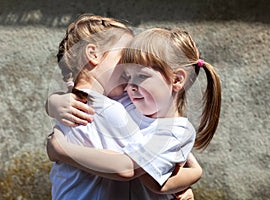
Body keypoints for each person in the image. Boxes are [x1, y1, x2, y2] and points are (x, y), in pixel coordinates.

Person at [46, 14, 202, 200]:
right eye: (124, 58)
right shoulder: (106, 108)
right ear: (93, 54)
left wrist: (186, 176)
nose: (130, 69)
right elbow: (130, 166)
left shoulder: (111, 102)